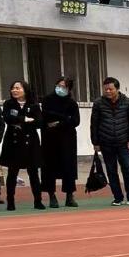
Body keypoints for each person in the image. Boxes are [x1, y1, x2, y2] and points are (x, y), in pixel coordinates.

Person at [90, 76, 129, 206]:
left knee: (128, 168)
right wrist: (95, 142)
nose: (108, 91)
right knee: (111, 170)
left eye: (110, 89)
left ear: (117, 89)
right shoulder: (98, 103)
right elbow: (94, 124)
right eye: (105, 89)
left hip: (124, 142)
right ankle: (118, 197)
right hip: (106, 142)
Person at [0, 80, 45, 211]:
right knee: (12, 173)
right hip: (13, 143)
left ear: (25, 90)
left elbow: (39, 123)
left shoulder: (34, 105)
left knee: (34, 173)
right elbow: (7, 118)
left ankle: (38, 200)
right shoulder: (9, 104)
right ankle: (10, 201)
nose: (14, 90)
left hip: (30, 143)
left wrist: (22, 121)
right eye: (13, 88)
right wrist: (24, 119)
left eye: (18, 88)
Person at [41, 76, 80, 207]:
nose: (60, 88)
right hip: (50, 139)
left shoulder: (72, 103)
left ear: (69, 89)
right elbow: (46, 116)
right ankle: (52, 195)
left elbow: (75, 121)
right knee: (50, 167)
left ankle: (70, 196)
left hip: (67, 139)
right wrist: (65, 118)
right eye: (59, 85)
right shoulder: (47, 100)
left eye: (64, 86)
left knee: (68, 167)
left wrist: (59, 122)